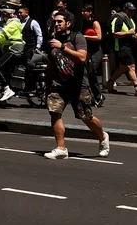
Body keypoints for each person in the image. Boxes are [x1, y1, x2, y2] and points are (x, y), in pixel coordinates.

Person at [43, 11, 110, 160]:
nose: (56, 24)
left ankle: (102, 136)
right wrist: (47, 88)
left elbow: (82, 57)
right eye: (55, 22)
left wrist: (62, 48)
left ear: (68, 23)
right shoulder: (53, 40)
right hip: (59, 84)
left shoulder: (77, 37)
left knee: (85, 116)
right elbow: (50, 66)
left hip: (78, 84)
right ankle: (61, 148)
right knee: (54, 112)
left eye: (59, 21)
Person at [105, 2, 137, 96]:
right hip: (121, 47)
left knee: (123, 67)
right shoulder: (118, 19)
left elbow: (135, 31)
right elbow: (114, 34)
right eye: (130, 10)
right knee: (131, 66)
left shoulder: (130, 20)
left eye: (133, 11)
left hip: (130, 47)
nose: (132, 12)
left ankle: (109, 83)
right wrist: (128, 33)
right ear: (125, 9)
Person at [81, 5, 104, 106]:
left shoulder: (95, 23)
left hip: (96, 52)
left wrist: (85, 36)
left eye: (84, 11)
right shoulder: (84, 23)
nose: (82, 13)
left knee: (91, 73)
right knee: (88, 74)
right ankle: (95, 96)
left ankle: (98, 96)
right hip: (88, 51)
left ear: (90, 12)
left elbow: (99, 37)